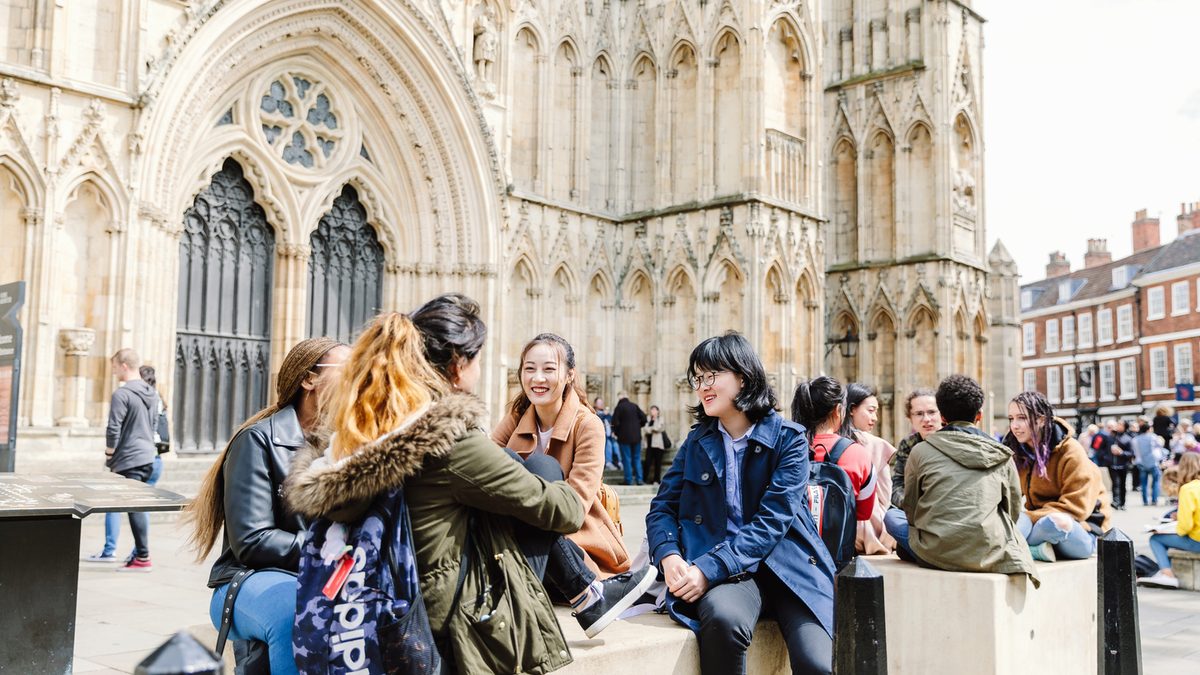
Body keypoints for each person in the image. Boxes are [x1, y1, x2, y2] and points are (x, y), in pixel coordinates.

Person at [287, 302, 654, 673]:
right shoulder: (448, 439)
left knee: (525, 472)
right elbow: (565, 510)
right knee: (542, 471)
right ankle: (589, 594)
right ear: (459, 366)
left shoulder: (368, 424)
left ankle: (589, 595)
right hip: (440, 621)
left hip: (381, 602)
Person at [647, 332, 835, 675]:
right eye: (698, 378)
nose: (703, 386)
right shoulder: (696, 442)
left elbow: (772, 521)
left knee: (817, 664)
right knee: (723, 621)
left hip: (789, 567)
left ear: (744, 378)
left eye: (712, 376)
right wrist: (668, 554)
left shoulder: (788, 439)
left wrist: (707, 569)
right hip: (732, 576)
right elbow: (661, 508)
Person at [182, 337, 347, 674]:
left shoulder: (346, 443)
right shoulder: (258, 440)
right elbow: (252, 540)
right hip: (251, 579)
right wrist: (330, 553)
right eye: (349, 370)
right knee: (294, 612)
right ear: (309, 379)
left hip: (324, 573)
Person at [492, 332, 633, 576]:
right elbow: (484, 471)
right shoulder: (516, 418)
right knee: (505, 461)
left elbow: (575, 506)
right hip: (520, 538)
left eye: (548, 369)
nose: (537, 378)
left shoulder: (588, 425)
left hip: (573, 544)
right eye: (529, 369)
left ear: (569, 375)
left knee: (542, 467)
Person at [896, 375, 1038, 585]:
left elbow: (911, 508)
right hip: (988, 550)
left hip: (934, 550)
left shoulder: (920, 452)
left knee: (892, 518)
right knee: (1024, 521)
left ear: (942, 416)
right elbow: (1013, 510)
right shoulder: (1002, 453)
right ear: (979, 415)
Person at [1004, 391, 1111, 562]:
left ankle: (1023, 548)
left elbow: (1076, 508)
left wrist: (1028, 518)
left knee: (1055, 522)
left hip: (1083, 530)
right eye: (1011, 419)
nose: (1014, 425)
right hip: (1038, 524)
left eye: (1022, 418)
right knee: (1015, 520)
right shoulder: (1018, 453)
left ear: (1041, 420)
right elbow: (1009, 496)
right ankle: (1033, 548)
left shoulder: (1071, 451)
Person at [87, 364, 167, 564]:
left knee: (119, 505)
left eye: (115, 367)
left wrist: (109, 453)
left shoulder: (124, 394)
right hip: (153, 457)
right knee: (139, 506)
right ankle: (139, 552)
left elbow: (114, 426)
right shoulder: (156, 397)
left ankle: (125, 552)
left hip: (132, 457)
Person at [791, 376, 877, 525]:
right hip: (835, 546)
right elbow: (864, 513)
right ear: (838, 410)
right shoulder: (858, 454)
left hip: (792, 545)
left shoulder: (786, 449)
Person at [883, 388, 939, 546]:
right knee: (890, 517)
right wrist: (914, 507)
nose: (926, 419)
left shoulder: (952, 441)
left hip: (945, 514)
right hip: (916, 515)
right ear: (910, 418)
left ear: (942, 414)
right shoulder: (908, 444)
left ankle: (919, 548)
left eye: (931, 412)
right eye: (919, 414)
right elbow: (897, 486)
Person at [846, 383, 896, 554]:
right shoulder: (875, 444)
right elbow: (885, 495)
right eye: (871, 410)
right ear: (852, 409)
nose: (875, 418)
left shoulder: (827, 440)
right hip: (868, 530)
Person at [1140, 453, 1200, 589]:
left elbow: (1186, 527)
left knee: (1155, 539)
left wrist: (1166, 530)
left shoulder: (1187, 489)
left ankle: (1167, 575)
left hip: (1197, 541)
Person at [612, 391, 647, 485]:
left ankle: (629, 480)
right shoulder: (634, 406)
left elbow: (615, 422)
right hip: (636, 437)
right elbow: (644, 418)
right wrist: (638, 426)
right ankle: (639, 479)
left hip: (623, 438)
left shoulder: (619, 408)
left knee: (626, 458)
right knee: (637, 458)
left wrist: (616, 432)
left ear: (620, 397)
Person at [1133, 421, 1166, 506]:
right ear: (1148, 429)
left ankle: (1145, 501)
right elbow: (1160, 446)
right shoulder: (1153, 437)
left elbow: (1136, 452)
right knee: (1156, 482)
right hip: (1153, 462)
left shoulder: (1136, 439)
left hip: (1141, 463)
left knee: (1143, 483)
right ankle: (1154, 500)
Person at [1109, 420, 1134, 510]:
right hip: (1112, 464)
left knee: (1122, 484)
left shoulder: (1128, 438)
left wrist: (1121, 453)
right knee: (1115, 483)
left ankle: (1122, 503)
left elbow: (1131, 453)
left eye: (1120, 424)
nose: (1118, 426)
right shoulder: (1112, 436)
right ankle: (1115, 501)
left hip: (1123, 465)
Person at [643, 405, 668, 485]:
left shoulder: (660, 419)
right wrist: (652, 429)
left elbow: (659, 428)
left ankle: (656, 480)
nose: (652, 412)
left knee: (658, 463)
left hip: (658, 445)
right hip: (649, 445)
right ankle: (644, 479)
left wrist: (651, 429)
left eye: (654, 410)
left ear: (658, 411)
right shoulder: (648, 419)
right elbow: (645, 429)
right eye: (651, 410)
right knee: (647, 462)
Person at [595, 396, 621, 471]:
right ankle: (608, 463)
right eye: (599, 403)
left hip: (610, 435)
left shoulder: (607, 414)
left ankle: (619, 462)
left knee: (616, 445)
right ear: (595, 404)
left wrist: (613, 431)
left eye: (602, 403)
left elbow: (612, 423)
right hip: (602, 436)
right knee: (608, 445)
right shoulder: (595, 413)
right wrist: (604, 414)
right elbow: (598, 421)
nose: (601, 404)